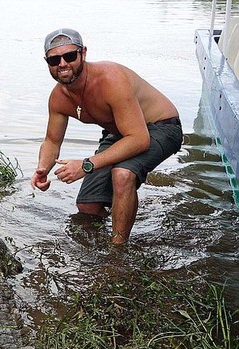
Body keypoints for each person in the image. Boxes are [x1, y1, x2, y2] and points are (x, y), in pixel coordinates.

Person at [31, 28, 183, 244]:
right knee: (87, 207)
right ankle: (98, 241)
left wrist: (85, 166)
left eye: (70, 56)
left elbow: (140, 139)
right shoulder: (58, 98)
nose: (62, 64)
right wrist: (42, 169)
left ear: (83, 53)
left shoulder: (111, 79)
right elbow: (52, 140)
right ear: (47, 62)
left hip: (161, 127)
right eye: (55, 59)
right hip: (121, 132)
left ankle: (118, 253)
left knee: (123, 174)